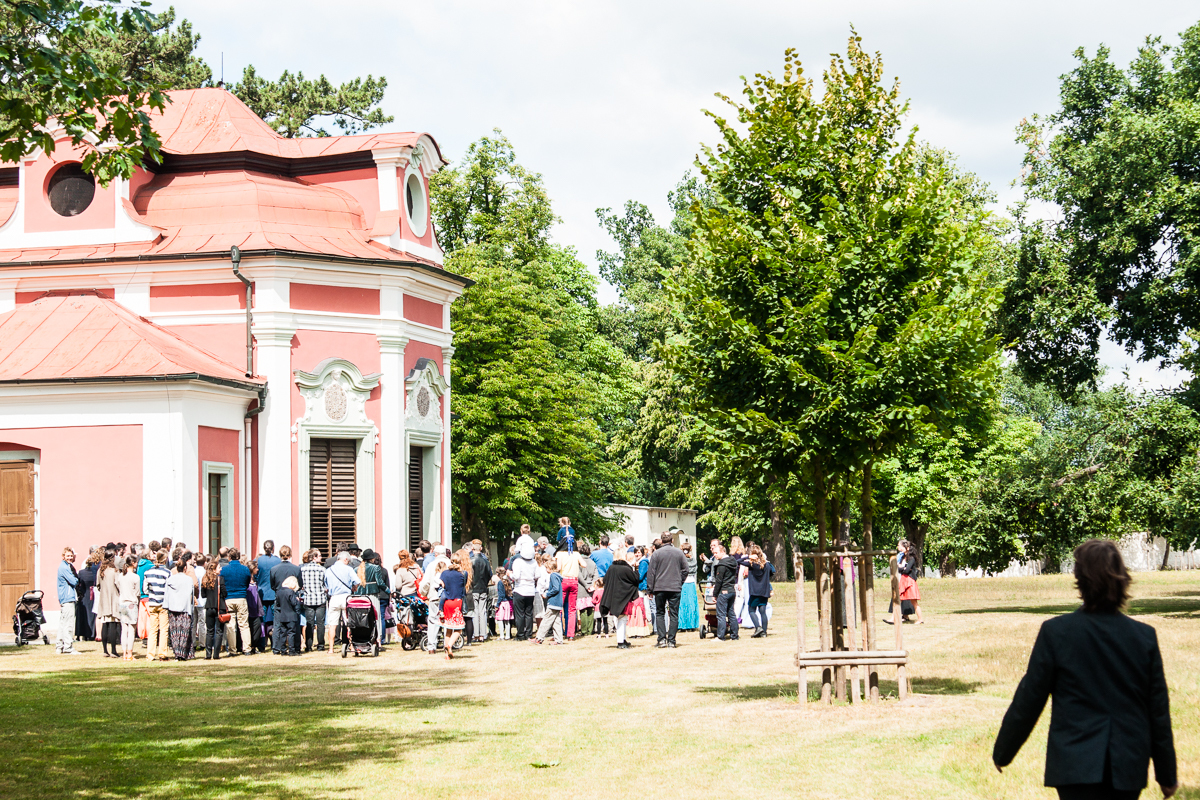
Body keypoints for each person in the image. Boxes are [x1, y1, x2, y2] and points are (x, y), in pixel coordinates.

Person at [993, 539, 1177, 800]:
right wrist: (1167, 775)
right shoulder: (1143, 637)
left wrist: (1003, 751)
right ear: (1122, 579)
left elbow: (1030, 698)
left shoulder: (1057, 633)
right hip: (1127, 764)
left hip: (1074, 763)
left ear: (1079, 580)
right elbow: (1157, 711)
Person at [646, 530, 689, 648]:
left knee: (660, 613)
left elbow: (651, 573)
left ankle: (661, 640)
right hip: (675, 587)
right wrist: (679, 581)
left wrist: (650, 589)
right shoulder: (679, 553)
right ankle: (671, 641)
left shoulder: (656, 554)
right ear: (672, 540)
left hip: (660, 587)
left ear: (661, 541)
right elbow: (686, 570)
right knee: (674, 614)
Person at [598, 551, 640, 650]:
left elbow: (605, 580)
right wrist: (636, 569)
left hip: (613, 597)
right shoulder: (626, 568)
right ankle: (620, 642)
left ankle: (623, 639)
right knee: (622, 619)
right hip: (623, 597)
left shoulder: (611, 568)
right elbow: (635, 579)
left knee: (621, 619)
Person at [325, 551, 360, 655]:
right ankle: (352, 646)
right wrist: (354, 588)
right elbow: (357, 581)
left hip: (334, 598)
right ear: (345, 559)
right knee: (349, 623)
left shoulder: (329, 570)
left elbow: (326, 585)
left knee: (332, 624)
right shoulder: (349, 569)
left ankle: (331, 649)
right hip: (346, 597)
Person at [269, 546, 302, 654]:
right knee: (295, 624)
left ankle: (277, 648)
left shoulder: (274, 569)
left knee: (278, 624)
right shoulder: (296, 569)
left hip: (279, 598)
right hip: (292, 597)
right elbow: (300, 585)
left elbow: (273, 586)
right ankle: (295, 647)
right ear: (290, 554)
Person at [221, 548, 253, 656]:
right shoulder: (245, 569)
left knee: (231, 625)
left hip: (229, 598)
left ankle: (232, 650)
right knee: (244, 625)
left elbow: (222, 583)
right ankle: (247, 649)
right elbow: (247, 582)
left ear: (229, 557)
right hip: (241, 597)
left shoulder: (224, 570)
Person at [164, 555, 195, 660]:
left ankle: (177, 652)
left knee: (174, 632)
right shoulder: (188, 580)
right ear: (185, 568)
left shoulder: (170, 579)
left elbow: (166, 594)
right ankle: (183, 653)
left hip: (173, 608)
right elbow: (191, 595)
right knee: (184, 631)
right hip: (185, 608)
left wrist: (166, 606)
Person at [143, 552, 171, 661]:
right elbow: (168, 588)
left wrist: (151, 593)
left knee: (153, 629)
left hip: (152, 602)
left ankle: (150, 654)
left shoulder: (148, 572)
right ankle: (162, 654)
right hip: (163, 603)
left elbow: (145, 589)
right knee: (163, 629)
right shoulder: (167, 572)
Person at [440, 551, 469, 657]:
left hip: (446, 602)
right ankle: (449, 646)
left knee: (448, 628)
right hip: (457, 602)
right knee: (458, 628)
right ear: (460, 562)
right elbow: (463, 587)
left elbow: (442, 585)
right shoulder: (463, 573)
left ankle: (447, 653)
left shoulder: (444, 573)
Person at [300, 549, 329, 652]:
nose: (321, 557)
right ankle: (321, 645)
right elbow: (326, 584)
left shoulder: (303, 569)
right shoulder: (322, 569)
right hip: (320, 599)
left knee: (309, 623)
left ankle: (309, 645)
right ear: (314, 557)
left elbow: (300, 584)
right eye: (319, 556)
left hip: (308, 599)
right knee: (320, 623)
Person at [710, 541, 740, 641]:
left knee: (721, 615)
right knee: (731, 614)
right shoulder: (733, 562)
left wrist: (714, 594)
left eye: (716, 553)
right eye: (713, 553)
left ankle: (720, 636)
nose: (714, 555)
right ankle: (734, 635)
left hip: (723, 592)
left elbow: (719, 581)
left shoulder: (722, 565)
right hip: (732, 591)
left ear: (722, 552)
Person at [94, 551, 122, 658]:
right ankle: (113, 650)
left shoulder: (100, 570)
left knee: (105, 624)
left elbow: (98, 585)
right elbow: (118, 584)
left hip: (103, 599)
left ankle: (105, 650)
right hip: (113, 599)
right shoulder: (114, 571)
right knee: (113, 624)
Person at [555, 544, 586, 640]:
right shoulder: (576, 554)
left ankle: (558, 632)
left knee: (559, 608)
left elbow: (558, 568)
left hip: (564, 580)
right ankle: (571, 635)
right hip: (574, 581)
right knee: (572, 609)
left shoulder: (560, 553)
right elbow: (584, 564)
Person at [510, 538, 538, 641]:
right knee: (529, 613)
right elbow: (537, 575)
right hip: (530, 590)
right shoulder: (534, 562)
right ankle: (528, 633)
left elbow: (516, 576)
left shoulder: (518, 561)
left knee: (519, 614)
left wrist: (510, 574)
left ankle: (520, 634)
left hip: (520, 589)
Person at [55, 547, 81, 655]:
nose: (70, 558)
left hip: (65, 598)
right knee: (68, 624)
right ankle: (68, 646)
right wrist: (76, 579)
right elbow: (74, 581)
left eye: (71, 556)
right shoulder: (65, 568)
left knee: (63, 623)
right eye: (68, 556)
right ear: (63, 556)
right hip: (68, 598)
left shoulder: (65, 566)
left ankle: (59, 646)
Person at [745, 544, 774, 637]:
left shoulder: (752, 565)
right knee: (763, 612)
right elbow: (772, 571)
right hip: (764, 591)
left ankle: (758, 627)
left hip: (755, 592)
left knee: (751, 610)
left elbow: (738, 561)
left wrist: (747, 557)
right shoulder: (767, 565)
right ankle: (764, 632)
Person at [533, 558, 564, 645]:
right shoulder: (557, 576)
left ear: (550, 568)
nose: (546, 569)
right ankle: (559, 640)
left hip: (553, 602)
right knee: (556, 622)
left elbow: (555, 588)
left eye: (547, 567)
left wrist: (547, 594)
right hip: (558, 603)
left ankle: (539, 638)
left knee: (546, 620)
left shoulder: (553, 576)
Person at [200, 561, 227, 660]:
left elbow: (203, 595)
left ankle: (208, 654)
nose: (221, 569)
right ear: (214, 570)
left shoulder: (205, 579)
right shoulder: (220, 579)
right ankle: (216, 654)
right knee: (219, 631)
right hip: (219, 607)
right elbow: (224, 593)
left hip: (209, 607)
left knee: (209, 631)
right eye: (219, 567)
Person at [116, 556, 141, 661]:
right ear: (133, 563)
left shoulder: (121, 576)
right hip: (132, 603)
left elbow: (118, 586)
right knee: (131, 629)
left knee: (124, 629)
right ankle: (130, 653)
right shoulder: (135, 577)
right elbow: (137, 592)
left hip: (122, 603)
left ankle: (124, 653)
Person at [468, 540, 492, 643]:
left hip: (473, 589)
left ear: (472, 548)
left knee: (475, 611)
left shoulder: (470, 561)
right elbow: (490, 574)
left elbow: (469, 575)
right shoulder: (486, 561)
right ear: (481, 548)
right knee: (482, 612)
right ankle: (483, 634)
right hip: (483, 588)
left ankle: (476, 634)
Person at [75, 550, 99, 643]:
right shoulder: (95, 573)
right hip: (93, 594)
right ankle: (92, 633)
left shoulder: (81, 573)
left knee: (84, 615)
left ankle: (83, 634)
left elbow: (78, 583)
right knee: (92, 615)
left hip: (84, 594)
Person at [897, 540, 924, 623]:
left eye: (900, 546)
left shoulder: (911, 558)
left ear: (907, 548)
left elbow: (907, 570)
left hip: (909, 581)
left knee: (914, 601)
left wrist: (902, 568)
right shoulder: (902, 557)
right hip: (903, 580)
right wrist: (902, 568)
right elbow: (898, 568)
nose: (898, 547)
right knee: (899, 599)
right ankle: (894, 618)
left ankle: (920, 619)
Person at [275, 576, 302, 656]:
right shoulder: (290, 592)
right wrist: (297, 600)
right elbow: (294, 603)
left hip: (282, 616)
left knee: (283, 633)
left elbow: (278, 604)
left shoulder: (279, 592)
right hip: (291, 616)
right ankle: (292, 650)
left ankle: (283, 650)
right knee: (291, 633)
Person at [678, 539, 700, 632]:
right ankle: (692, 624)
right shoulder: (693, 560)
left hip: (683, 583)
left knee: (682, 604)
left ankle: (682, 625)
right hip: (691, 582)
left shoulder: (680, 560)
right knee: (691, 604)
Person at [577, 541, 597, 637]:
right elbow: (596, 576)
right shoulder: (593, 563)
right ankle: (590, 630)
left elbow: (579, 575)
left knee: (582, 610)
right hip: (591, 589)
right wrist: (591, 585)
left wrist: (585, 585)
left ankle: (584, 631)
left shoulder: (579, 562)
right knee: (590, 610)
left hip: (581, 588)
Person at [494, 568, 514, 639]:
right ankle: (508, 635)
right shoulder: (508, 581)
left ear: (498, 574)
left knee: (500, 619)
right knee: (507, 620)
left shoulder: (500, 582)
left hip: (502, 603)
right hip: (508, 602)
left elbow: (501, 595)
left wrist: (497, 604)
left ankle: (502, 635)